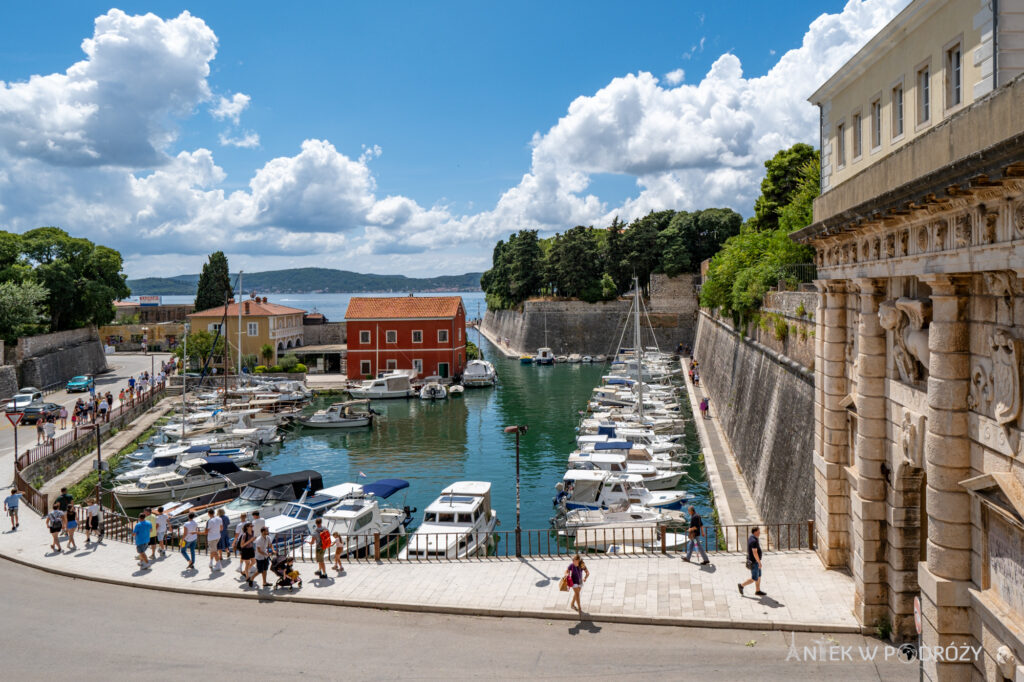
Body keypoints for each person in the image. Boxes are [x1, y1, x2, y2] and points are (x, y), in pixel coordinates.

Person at [738, 526, 766, 596]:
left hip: (755, 561)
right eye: (758, 532)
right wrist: (759, 562)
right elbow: (755, 552)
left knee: (759, 576)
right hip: (754, 562)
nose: (759, 533)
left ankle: (757, 590)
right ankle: (741, 585)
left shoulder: (751, 537)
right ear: (755, 532)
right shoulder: (754, 541)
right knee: (754, 578)